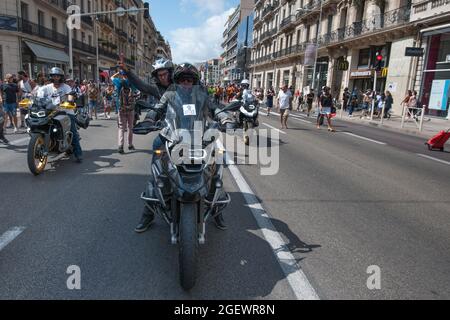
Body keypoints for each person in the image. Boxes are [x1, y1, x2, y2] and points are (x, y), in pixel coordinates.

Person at [134, 62, 227, 232]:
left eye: (189, 80)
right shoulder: (170, 94)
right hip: (173, 135)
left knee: (216, 164)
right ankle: (148, 214)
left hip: (199, 137)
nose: (186, 82)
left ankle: (216, 210)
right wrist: (149, 119)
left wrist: (225, 118)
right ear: (177, 81)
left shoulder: (201, 95)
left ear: (194, 82)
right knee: (158, 172)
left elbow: (215, 108)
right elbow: (157, 108)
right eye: (183, 79)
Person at [37, 67, 83, 162]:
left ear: (61, 77)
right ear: (51, 77)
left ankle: (78, 153)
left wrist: (70, 100)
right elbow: (39, 96)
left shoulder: (66, 87)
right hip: (50, 111)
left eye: (58, 76)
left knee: (72, 131)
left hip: (65, 111)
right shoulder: (46, 87)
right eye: (54, 76)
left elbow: (70, 94)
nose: (56, 78)